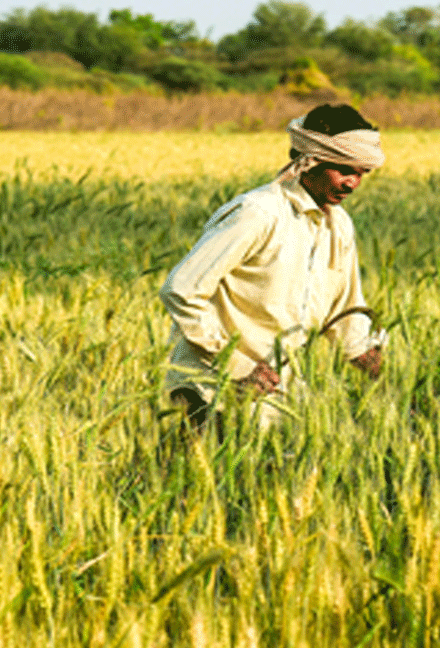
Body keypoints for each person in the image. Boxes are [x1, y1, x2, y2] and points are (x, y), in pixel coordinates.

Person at [159, 103, 387, 429]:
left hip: (278, 395)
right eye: (344, 170)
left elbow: (346, 304)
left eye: (362, 173)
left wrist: (363, 355)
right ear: (310, 161)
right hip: (208, 391)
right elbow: (181, 289)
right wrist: (235, 364)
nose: (353, 183)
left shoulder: (338, 225)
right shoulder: (259, 213)